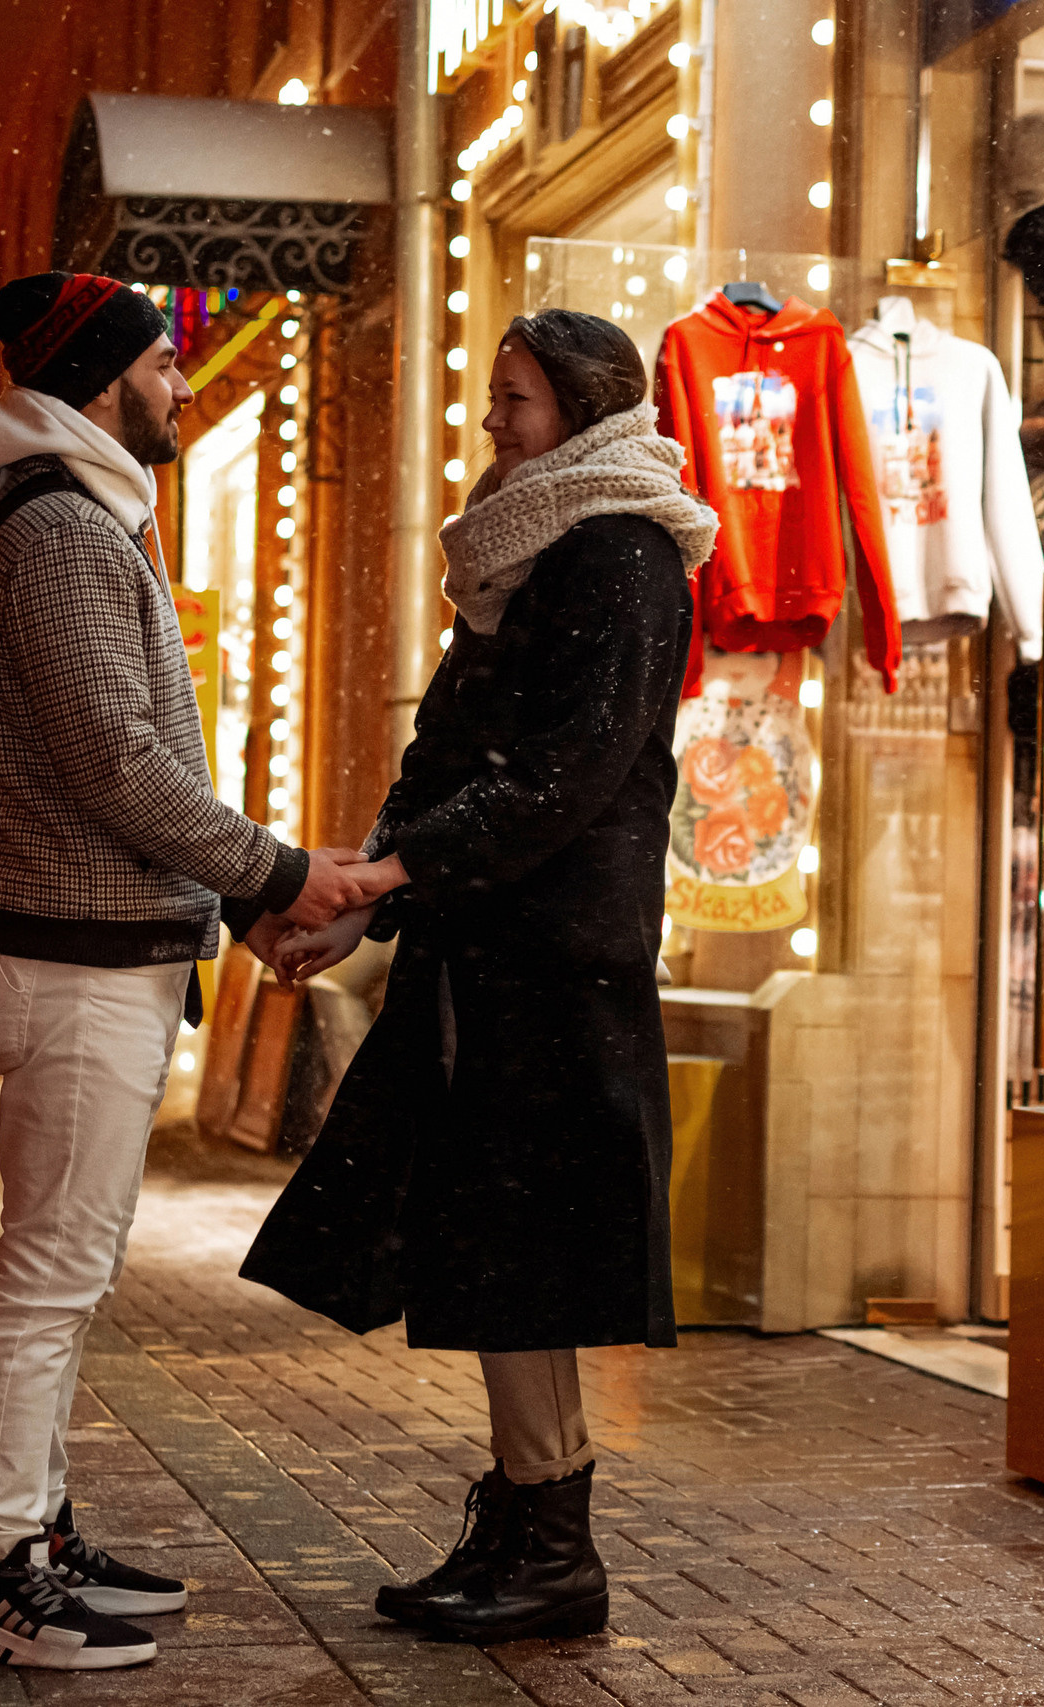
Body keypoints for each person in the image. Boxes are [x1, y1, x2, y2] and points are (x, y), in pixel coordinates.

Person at [0, 271, 388, 1672]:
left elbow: (119, 775)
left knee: (66, 1266)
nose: (183, 383)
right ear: (102, 375)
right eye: (162, 361)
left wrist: (234, 902)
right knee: (50, 1270)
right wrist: (274, 868)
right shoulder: (61, 531)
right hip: (70, 964)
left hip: (97, 947)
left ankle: (34, 1531)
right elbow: (118, 763)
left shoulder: (79, 514)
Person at [238, 310, 717, 1645]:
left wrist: (393, 878)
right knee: (503, 1246)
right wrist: (367, 903)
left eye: (514, 398)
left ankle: (551, 1542)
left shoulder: (620, 551)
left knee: (529, 1250)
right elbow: (454, 750)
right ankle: (526, 1514)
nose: (495, 422)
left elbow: (565, 772)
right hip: (490, 952)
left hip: (556, 958)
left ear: (581, 405)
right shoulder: (533, 548)